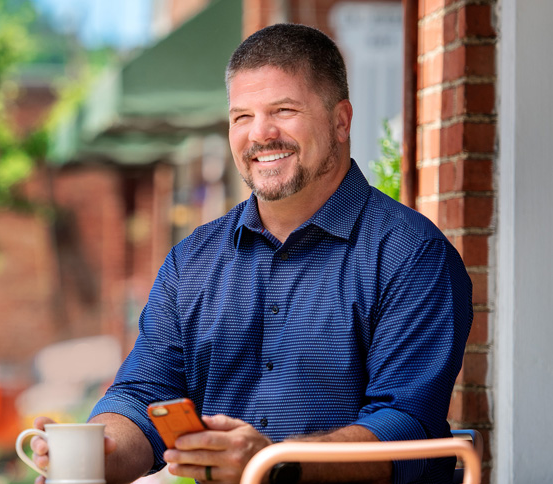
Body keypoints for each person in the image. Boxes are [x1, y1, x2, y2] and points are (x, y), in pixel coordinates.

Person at [31, 23, 473, 484]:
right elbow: (145, 394)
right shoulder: (191, 262)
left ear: (341, 121)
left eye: (283, 110)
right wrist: (96, 452)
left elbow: (406, 430)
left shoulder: (413, 256)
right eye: (242, 116)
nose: (260, 135)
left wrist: (272, 462)